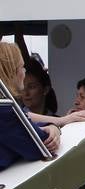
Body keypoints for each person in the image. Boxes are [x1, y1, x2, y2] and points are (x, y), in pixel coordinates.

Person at [0, 42, 59, 170]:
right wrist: (54, 128)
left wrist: (50, 126)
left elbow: (24, 126)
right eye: (22, 67)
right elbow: (39, 147)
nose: (24, 71)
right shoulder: (5, 110)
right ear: (12, 72)